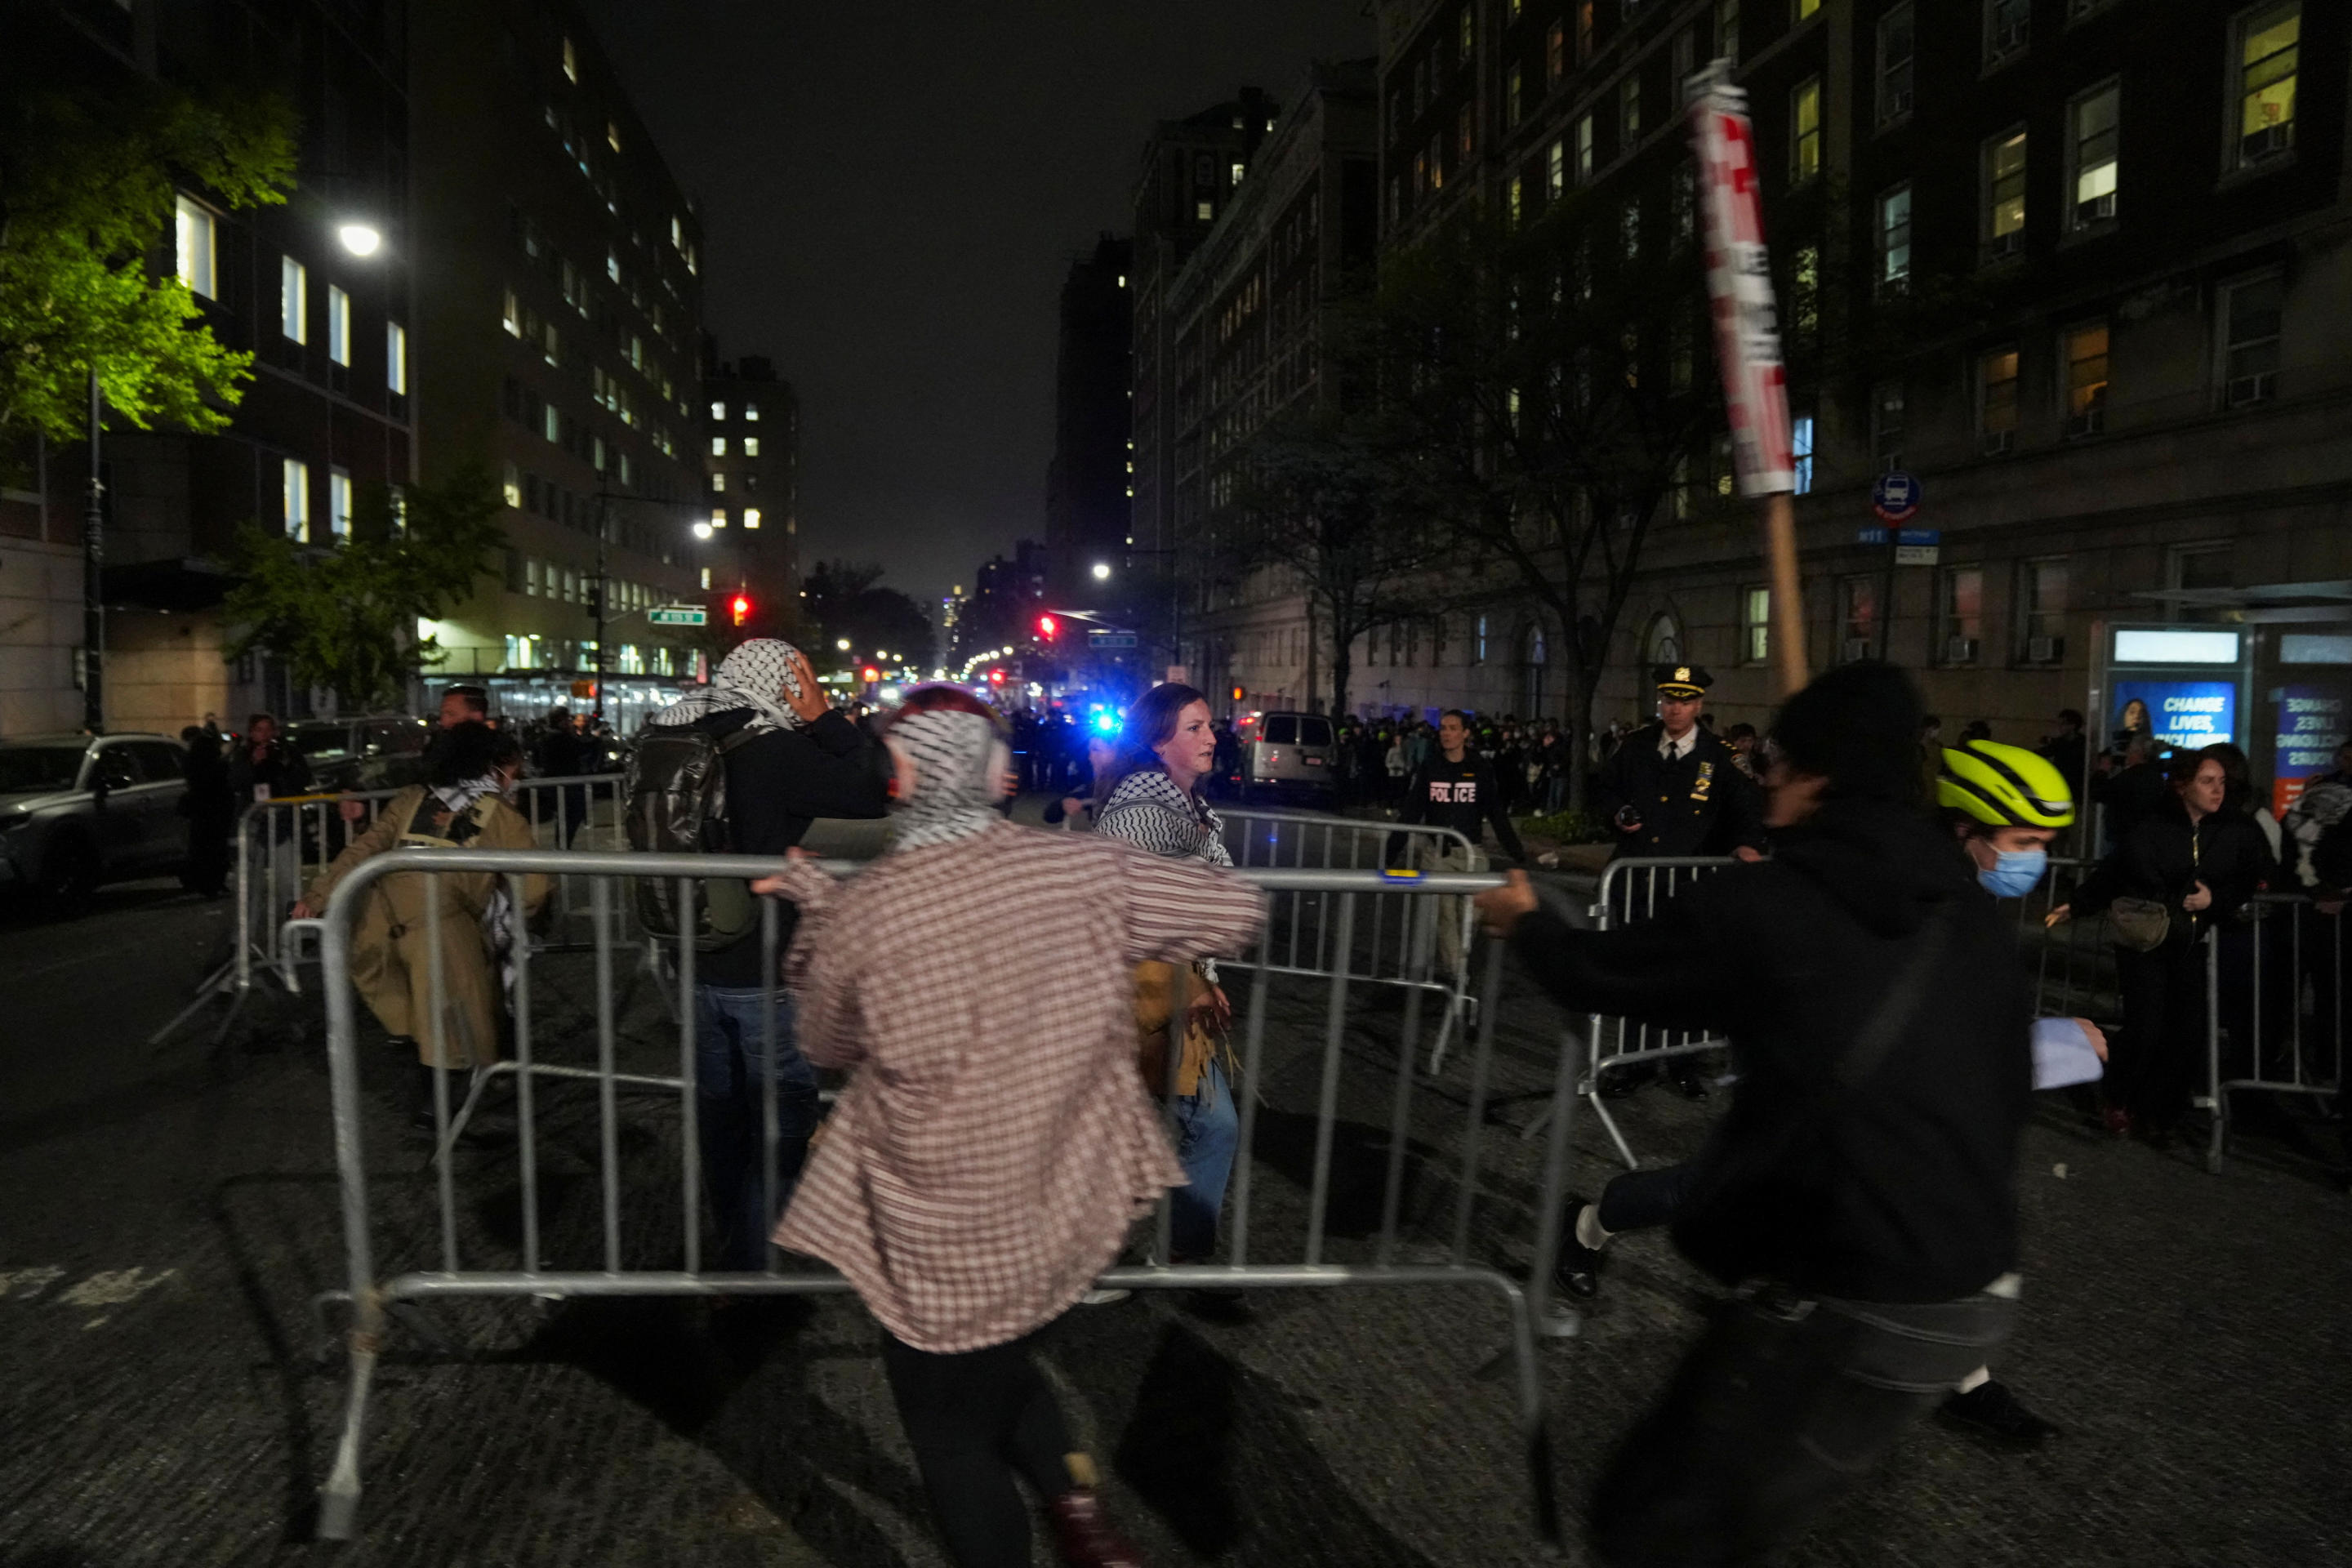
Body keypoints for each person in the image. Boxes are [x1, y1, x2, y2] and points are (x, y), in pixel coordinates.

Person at [1474, 661, 2036, 1568]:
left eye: (1779, 759)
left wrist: (1526, 920)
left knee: (1658, 1528)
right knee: (1745, 1512)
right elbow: (2008, 1090)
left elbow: (1602, 973)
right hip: (1972, 1285)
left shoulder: (1775, 904)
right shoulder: (1966, 917)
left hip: (1854, 1285)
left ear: (1818, 775)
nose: (1763, 774)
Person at [754, 689, 1266, 1568]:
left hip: (935, 1220)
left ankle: (1063, 1528)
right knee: (999, 1358)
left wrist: (819, 909)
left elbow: (826, 1039)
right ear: (998, 777)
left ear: (903, 776)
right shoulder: (1078, 871)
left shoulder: (876, 907)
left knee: (948, 1426)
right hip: (1054, 1198)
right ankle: (1080, 1516)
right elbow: (1234, 912)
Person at [1548, 735, 2096, 1454]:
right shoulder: (1885, 887)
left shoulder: (1956, 894)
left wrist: (2049, 1040)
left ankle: (1968, 1379)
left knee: (1930, 1215)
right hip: (1820, 1100)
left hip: (1893, 1119)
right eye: (2024, 841)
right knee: (1713, 1190)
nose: (2036, 861)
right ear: (1966, 831)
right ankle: (1591, 1223)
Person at [647, 639, 889, 1272]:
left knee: (721, 1115)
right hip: (765, 966)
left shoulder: (675, 734)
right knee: (782, 1116)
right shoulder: (771, 748)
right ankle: (756, 1265)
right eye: (798, 677)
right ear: (783, 682)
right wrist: (822, 716)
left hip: (693, 955)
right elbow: (872, 785)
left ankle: (735, 1237)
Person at [293, 724, 551, 1138]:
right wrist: (519, 920)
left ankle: (438, 1110)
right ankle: (444, 1117)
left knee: (426, 1018)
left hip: (379, 921)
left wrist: (318, 895)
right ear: (494, 767)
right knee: (458, 1023)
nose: (516, 778)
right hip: (443, 927)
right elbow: (535, 888)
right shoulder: (502, 816)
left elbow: (363, 849)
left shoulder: (412, 798)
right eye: (513, 770)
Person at [1093, 684, 1250, 1310]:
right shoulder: (1139, 815)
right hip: (1130, 1001)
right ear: (1159, 741)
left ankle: (1182, 1261)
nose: (1212, 737)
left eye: (1210, 726)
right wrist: (1193, 977)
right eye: (1194, 728)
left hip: (1173, 997)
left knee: (1208, 1127)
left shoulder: (1189, 811)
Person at [2049, 748, 2269, 1141]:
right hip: (2144, 939)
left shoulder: (2237, 829)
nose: (2217, 790)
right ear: (2183, 787)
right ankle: (2117, 1098)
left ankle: (2159, 1109)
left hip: (2192, 941)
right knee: (2146, 1025)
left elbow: (2254, 878)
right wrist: (2079, 903)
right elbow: (2116, 869)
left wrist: (2214, 900)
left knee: (2187, 1030)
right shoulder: (2152, 823)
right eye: (2207, 781)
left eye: (2221, 782)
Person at [1392, 709, 1527, 987]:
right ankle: (1458, 978)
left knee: (1469, 916)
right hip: (1438, 854)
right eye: (1443, 728)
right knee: (1445, 917)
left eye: (1453, 728)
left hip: (1470, 853)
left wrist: (1517, 853)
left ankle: (1459, 968)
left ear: (1466, 733)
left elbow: (1496, 813)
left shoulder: (1479, 768)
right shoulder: (1431, 767)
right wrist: (1391, 852)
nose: (1446, 733)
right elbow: (1411, 811)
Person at [1592, 666, 1764, 864]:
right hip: (1637, 868)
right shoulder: (1637, 746)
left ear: (1698, 706)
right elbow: (1605, 787)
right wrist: (1618, 811)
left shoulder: (1721, 755)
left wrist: (1746, 843)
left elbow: (1747, 806)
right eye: (1669, 702)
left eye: (1685, 703)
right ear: (1660, 704)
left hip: (1693, 872)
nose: (1676, 710)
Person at [177, 727, 237, 898]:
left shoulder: (191, 764)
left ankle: (203, 882)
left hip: (201, 811)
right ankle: (214, 882)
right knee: (216, 848)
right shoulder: (218, 766)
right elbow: (226, 786)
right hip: (217, 811)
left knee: (200, 847)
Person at [227, 712, 311, 804]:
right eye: (259, 730)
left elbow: (304, 778)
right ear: (252, 733)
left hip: (283, 805)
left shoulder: (287, 750)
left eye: (269, 729)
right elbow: (235, 782)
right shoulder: (243, 753)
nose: (265, 734)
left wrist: (286, 763)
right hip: (253, 807)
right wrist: (253, 762)